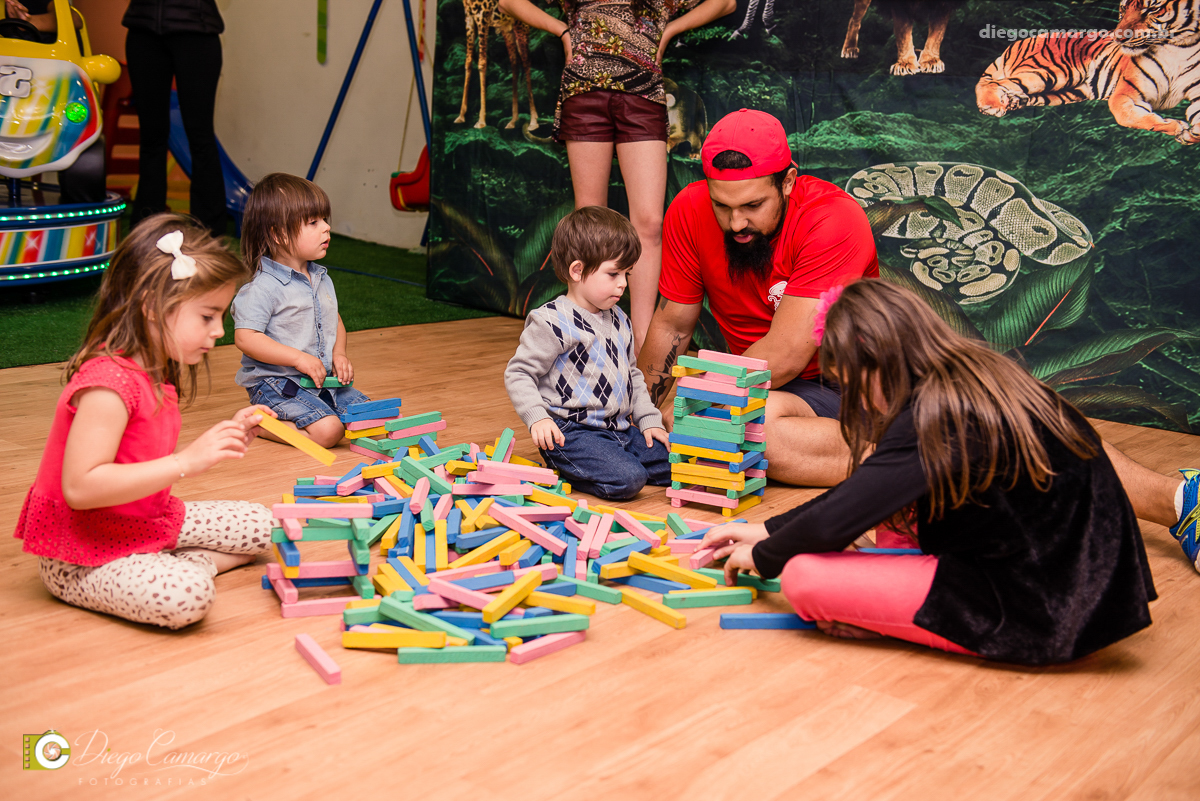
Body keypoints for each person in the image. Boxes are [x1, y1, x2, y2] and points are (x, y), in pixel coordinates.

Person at [12, 214, 276, 630]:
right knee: (190, 595)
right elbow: (80, 488)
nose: (219, 331)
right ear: (152, 307)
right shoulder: (108, 384)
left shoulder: (155, 371)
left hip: (139, 521)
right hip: (81, 552)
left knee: (266, 526)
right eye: (207, 317)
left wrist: (231, 434)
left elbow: (139, 453)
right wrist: (186, 462)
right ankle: (177, 567)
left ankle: (160, 561)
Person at [637, 108, 880, 486]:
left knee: (743, 429)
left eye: (752, 206)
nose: (736, 223)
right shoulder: (688, 209)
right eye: (722, 205)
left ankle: (906, 456)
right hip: (754, 380)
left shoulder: (832, 218)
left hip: (841, 385)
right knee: (706, 422)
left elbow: (786, 354)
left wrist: (696, 399)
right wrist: (639, 415)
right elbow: (672, 326)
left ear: (788, 181)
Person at [498, 0, 736, 354]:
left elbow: (726, 3)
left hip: (643, 94)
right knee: (590, 220)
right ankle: (588, 332)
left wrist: (670, 29)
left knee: (649, 222)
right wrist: (562, 31)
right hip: (584, 91)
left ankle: (641, 341)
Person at [504, 206, 670, 500]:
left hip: (619, 429)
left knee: (675, 464)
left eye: (627, 273)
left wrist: (648, 419)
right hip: (571, 432)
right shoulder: (550, 321)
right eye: (614, 273)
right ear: (577, 270)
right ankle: (570, 468)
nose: (623, 283)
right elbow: (519, 373)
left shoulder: (619, 319)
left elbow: (632, 375)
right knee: (630, 479)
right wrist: (538, 418)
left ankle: (608, 461)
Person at [232, 173, 367, 449]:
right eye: (314, 222)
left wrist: (339, 354)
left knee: (371, 419)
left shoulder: (322, 278)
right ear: (279, 234)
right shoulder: (263, 287)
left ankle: (322, 411)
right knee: (329, 432)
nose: (326, 228)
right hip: (278, 384)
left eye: (324, 220)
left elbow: (334, 319)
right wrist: (298, 359)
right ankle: (261, 422)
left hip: (321, 381)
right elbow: (246, 337)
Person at [123, 0, 227, 234]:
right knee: (151, 137)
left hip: (197, 30)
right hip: (143, 29)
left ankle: (209, 230)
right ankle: (146, 227)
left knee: (200, 135)